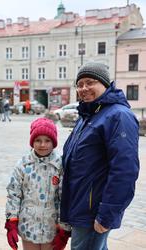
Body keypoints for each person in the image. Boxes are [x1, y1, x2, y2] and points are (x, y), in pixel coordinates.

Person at [60, 62, 140, 250]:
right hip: (80, 205)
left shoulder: (118, 116)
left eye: (90, 82)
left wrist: (107, 214)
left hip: (93, 210)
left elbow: (125, 171)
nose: (83, 88)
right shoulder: (88, 114)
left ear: (105, 84)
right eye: (79, 84)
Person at [5, 118, 71, 250]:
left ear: (54, 142)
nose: (42, 145)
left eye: (47, 140)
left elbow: (65, 198)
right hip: (28, 225)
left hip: (51, 228)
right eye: (38, 140)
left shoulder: (60, 166)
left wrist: (64, 229)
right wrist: (11, 221)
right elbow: (14, 193)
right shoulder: (23, 164)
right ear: (32, 142)